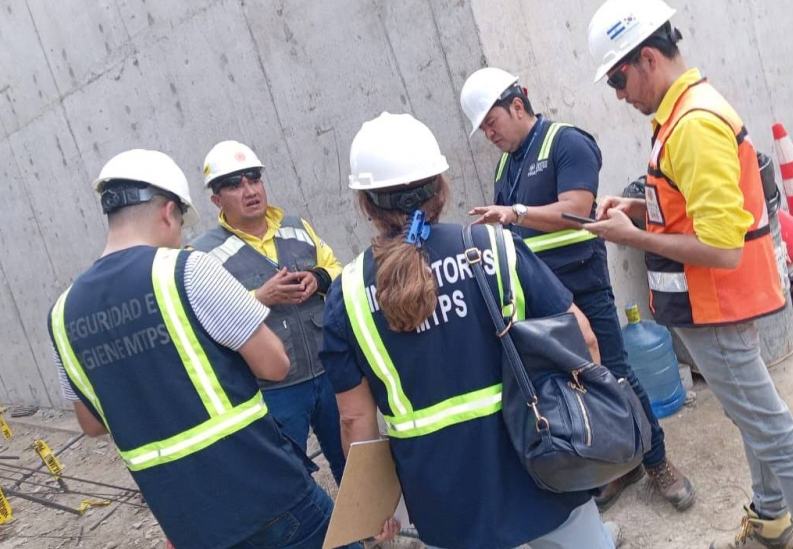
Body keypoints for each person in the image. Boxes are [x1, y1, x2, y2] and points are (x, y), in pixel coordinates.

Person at [585, 0, 793, 549]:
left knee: (774, 434)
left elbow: (723, 246)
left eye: (618, 79)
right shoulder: (684, 114)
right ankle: (773, 519)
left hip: (716, 306)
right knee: (757, 423)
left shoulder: (694, 125)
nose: (619, 95)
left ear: (648, 59)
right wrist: (632, 208)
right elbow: (690, 207)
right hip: (721, 304)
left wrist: (633, 236)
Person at [319, 112, 622, 549]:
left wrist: (375, 506)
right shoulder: (495, 246)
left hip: (444, 499)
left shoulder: (346, 294)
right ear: (440, 188)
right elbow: (584, 335)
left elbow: (355, 418)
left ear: (366, 204)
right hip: (541, 465)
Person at [46, 149, 358, 549]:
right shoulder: (185, 269)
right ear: (168, 212)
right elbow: (276, 364)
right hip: (265, 493)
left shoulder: (61, 314)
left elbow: (91, 424)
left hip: (186, 520)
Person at [459, 67, 695, 511]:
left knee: (616, 376)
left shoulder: (567, 142)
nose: (489, 134)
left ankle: (657, 462)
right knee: (575, 385)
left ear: (516, 105)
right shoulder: (507, 164)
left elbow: (576, 208)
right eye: (483, 129)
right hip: (541, 298)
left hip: (581, 284)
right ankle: (616, 465)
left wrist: (515, 213)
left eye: (491, 122)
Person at [189, 140, 346, 485]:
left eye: (253, 178)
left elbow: (336, 270)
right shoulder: (202, 256)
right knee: (288, 477)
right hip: (272, 388)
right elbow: (202, 321)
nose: (249, 190)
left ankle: (368, 530)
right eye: (234, 184)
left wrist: (317, 278)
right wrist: (260, 297)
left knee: (350, 459)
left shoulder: (296, 225)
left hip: (328, 368)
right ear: (217, 199)